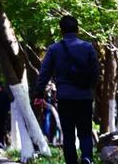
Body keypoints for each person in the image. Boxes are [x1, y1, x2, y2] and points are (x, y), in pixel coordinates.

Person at [35, 15, 99, 164]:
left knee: (68, 134)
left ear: (61, 30)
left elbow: (44, 73)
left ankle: (71, 162)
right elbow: (96, 73)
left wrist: (39, 93)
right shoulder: (88, 47)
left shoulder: (54, 49)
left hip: (65, 98)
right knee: (85, 132)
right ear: (77, 29)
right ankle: (87, 158)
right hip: (84, 97)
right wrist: (89, 88)